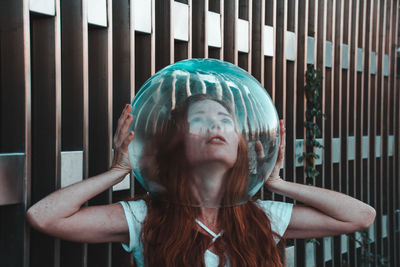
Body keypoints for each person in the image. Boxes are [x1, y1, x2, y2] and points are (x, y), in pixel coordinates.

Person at [26, 94, 376, 267]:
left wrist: (277, 183)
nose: (215, 125)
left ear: (240, 146)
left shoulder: (263, 217)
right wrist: (118, 170)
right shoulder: (146, 218)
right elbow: (44, 216)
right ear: (177, 145)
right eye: (200, 120)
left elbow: (361, 216)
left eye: (225, 119)